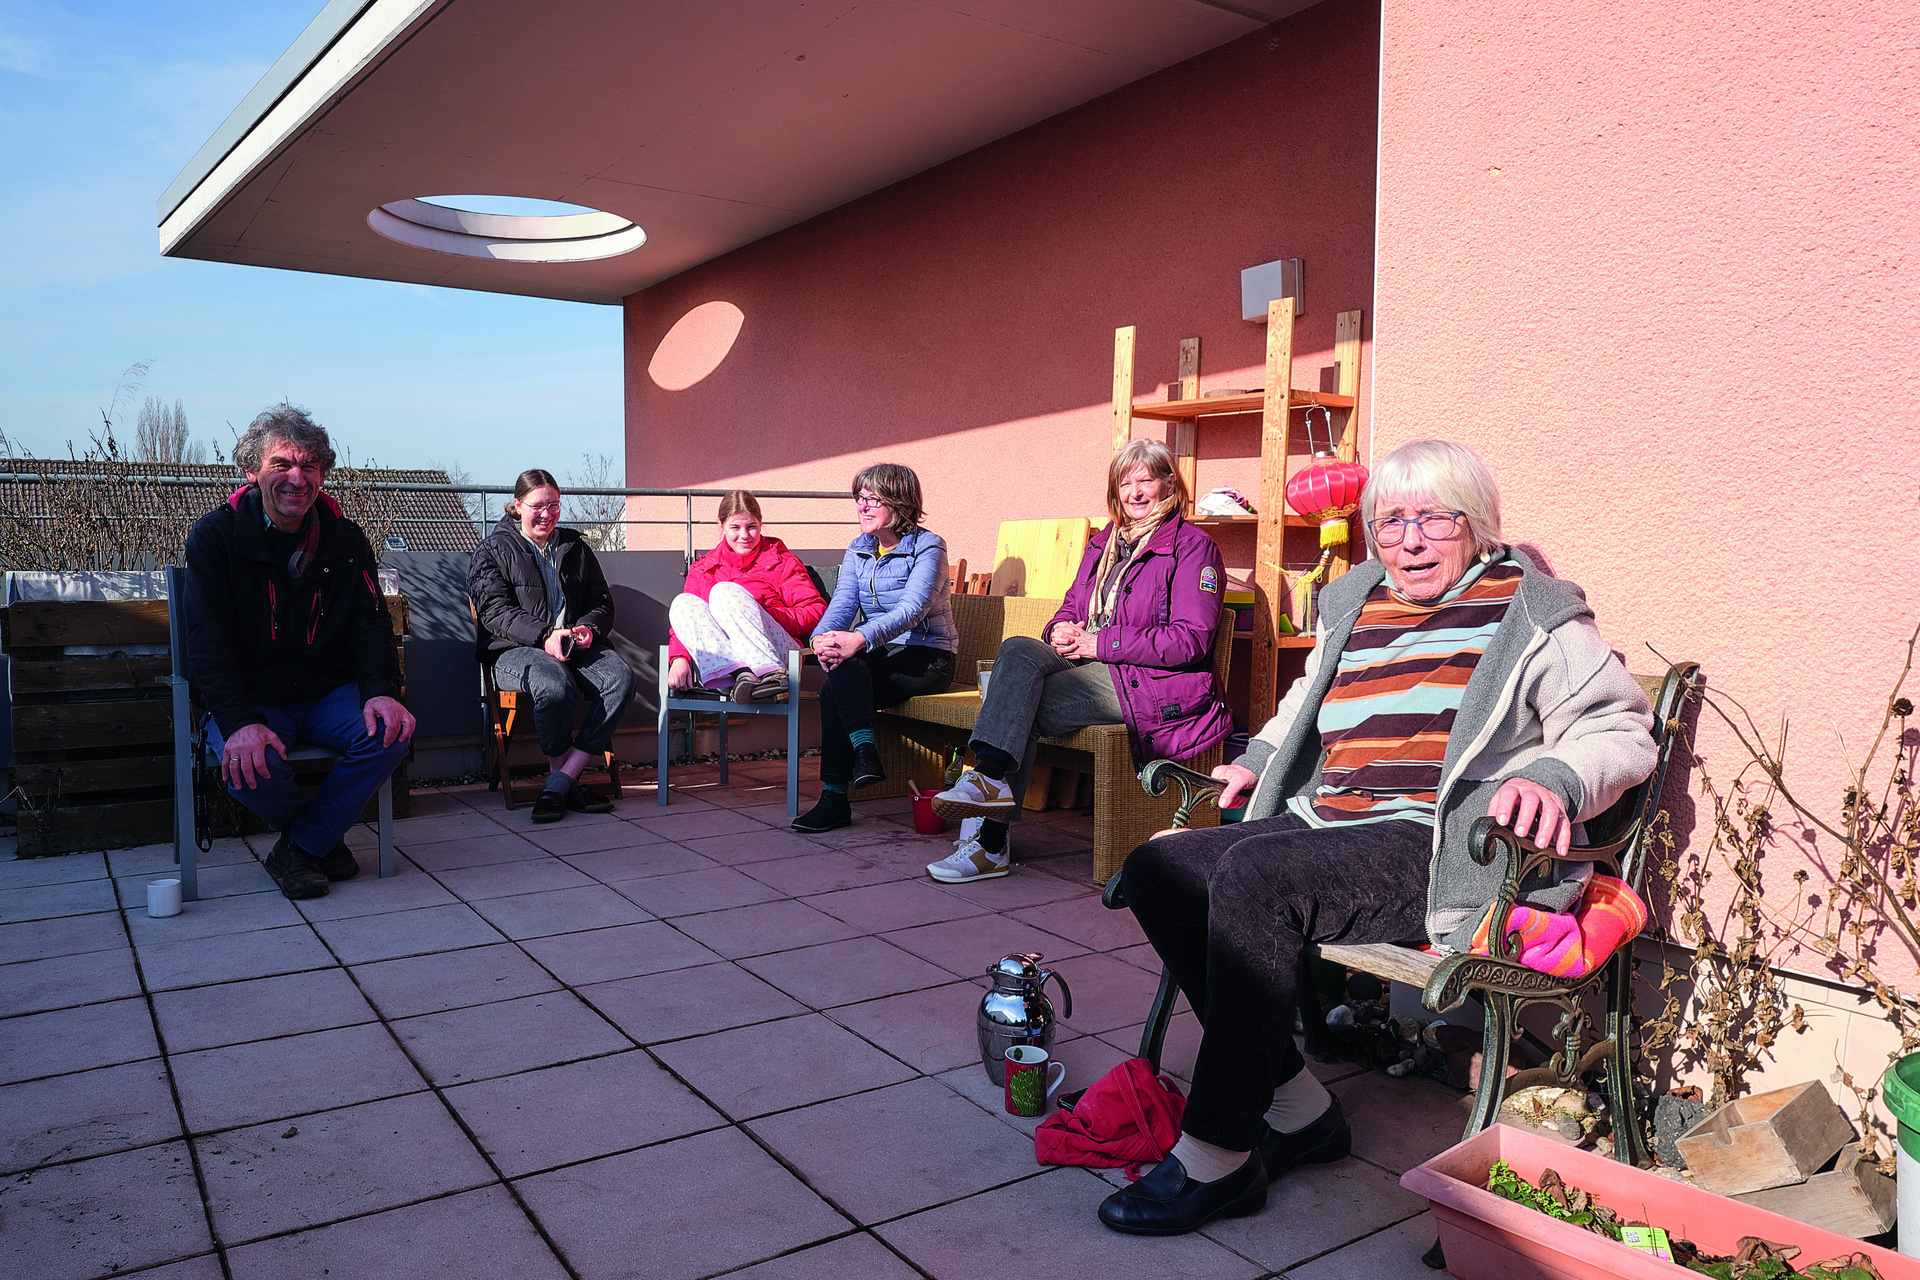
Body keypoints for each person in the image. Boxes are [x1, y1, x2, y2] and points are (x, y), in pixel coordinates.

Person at [1096, 439, 1657, 1236]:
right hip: (1330, 821)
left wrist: (1557, 779)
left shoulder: (1529, 609)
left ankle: (1218, 1156)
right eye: (1390, 522)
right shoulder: (1358, 600)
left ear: (1480, 526)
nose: (1411, 540)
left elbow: (1620, 723)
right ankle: (1298, 1107)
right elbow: (1305, 697)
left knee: (1256, 881)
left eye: (1434, 518)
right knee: (1159, 869)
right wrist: (1258, 760)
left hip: (1440, 843)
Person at [928, 438, 1231, 883]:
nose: (1135, 492)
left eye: (1146, 480)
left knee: (1018, 708)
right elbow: (1071, 606)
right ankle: (990, 779)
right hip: (1097, 662)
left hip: (1155, 683)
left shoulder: (1193, 548)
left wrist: (1097, 643)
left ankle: (990, 842)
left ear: (1170, 484)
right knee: (1017, 649)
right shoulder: (1104, 544)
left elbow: (1190, 641)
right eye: (1125, 483)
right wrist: (1060, 631)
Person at [182, 403, 415, 901]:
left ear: (323, 474)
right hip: (254, 697)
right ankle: (316, 840)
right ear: (252, 471)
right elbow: (207, 638)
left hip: (327, 690)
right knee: (247, 770)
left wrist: (381, 691)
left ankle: (301, 845)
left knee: (391, 734)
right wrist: (240, 720)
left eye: (309, 465)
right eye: (281, 464)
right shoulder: (216, 537)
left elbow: (370, 621)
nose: (296, 478)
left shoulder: (346, 539)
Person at [794, 463, 957, 833]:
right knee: (841, 669)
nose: (862, 507)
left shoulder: (929, 547)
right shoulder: (859, 548)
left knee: (835, 687)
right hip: (882, 652)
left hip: (929, 656)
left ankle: (836, 795)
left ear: (899, 504)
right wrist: (823, 638)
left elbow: (912, 610)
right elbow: (842, 605)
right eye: (859, 498)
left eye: (873, 499)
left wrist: (860, 638)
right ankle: (864, 757)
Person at [468, 469, 635, 825]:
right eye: (538, 506)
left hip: (573, 646)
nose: (547, 513)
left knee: (620, 677)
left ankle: (559, 781)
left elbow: (601, 601)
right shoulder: (492, 550)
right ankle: (566, 784)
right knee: (553, 682)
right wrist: (544, 636)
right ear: (517, 505)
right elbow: (495, 613)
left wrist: (589, 628)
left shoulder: (575, 546)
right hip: (513, 650)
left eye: (555, 505)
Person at [667, 490, 828, 703]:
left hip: (779, 656)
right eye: (735, 527)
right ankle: (740, 674)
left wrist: (760, 613)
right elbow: (688, 623)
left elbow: (815, 612)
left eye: (751, 527)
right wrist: (680, 658)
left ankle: (771, 676)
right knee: (681, 604)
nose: (744, 535)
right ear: (721, 526)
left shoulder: (783, 562)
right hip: (727, 664)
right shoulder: (703, 569)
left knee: (724, 592)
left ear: (760, 524)